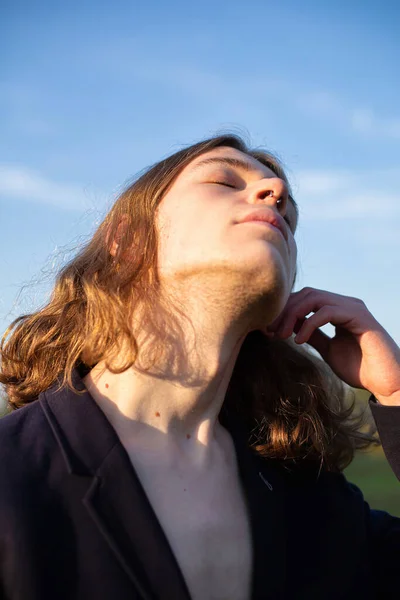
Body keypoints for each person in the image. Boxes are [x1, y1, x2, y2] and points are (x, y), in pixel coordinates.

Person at [0, 133, 399, 600]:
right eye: (224, 180)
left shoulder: (313, 500)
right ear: (127, 240)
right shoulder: (12, 476)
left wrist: (395, 391)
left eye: (286, 216)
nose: (275, 193)